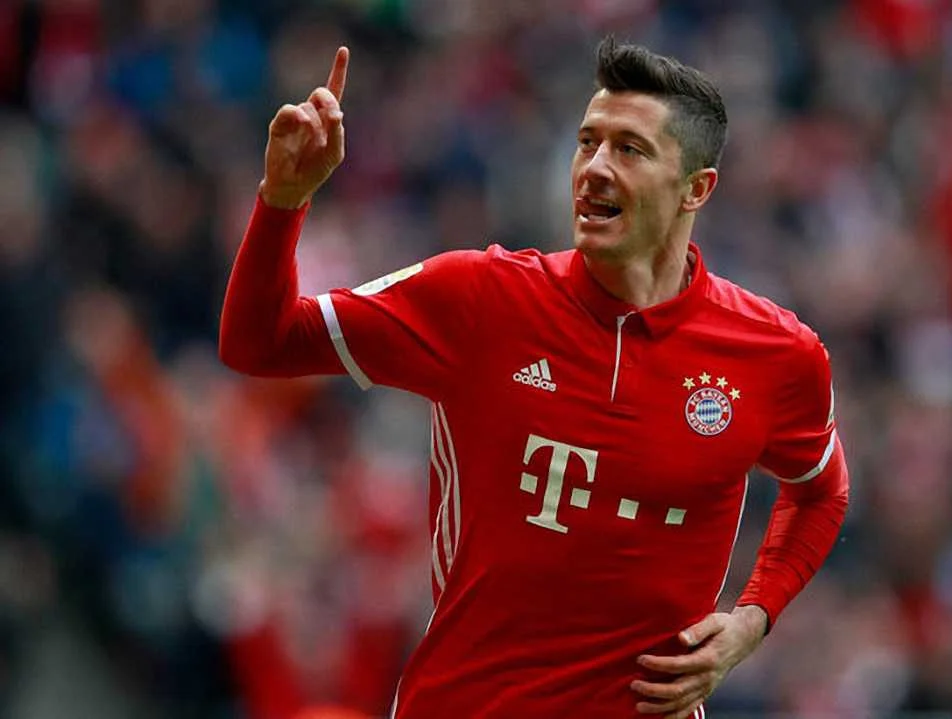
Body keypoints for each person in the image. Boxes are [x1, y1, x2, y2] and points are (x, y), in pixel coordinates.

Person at [220, 38, 850, 719]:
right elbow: (260, 342)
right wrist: (283, 200)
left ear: (695, 189)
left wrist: (754, 617)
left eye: (629, 150)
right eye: (587, 143)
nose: (594, 168)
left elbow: (821, 491)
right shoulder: (478, 298)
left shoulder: (776, 355)